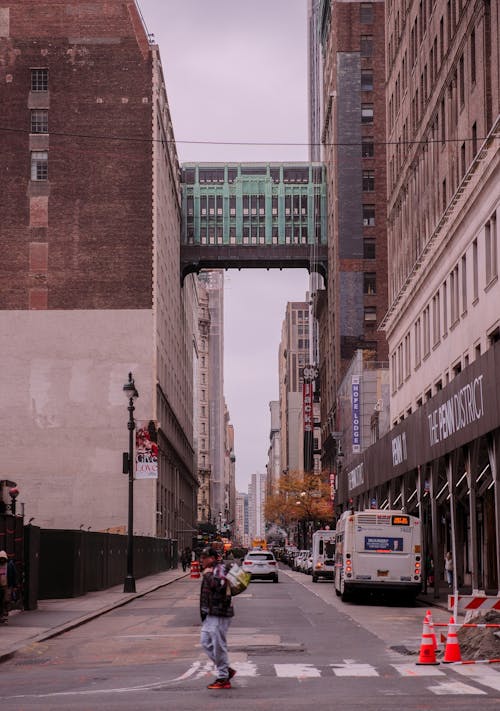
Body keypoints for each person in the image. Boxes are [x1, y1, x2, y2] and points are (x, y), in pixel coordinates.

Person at [199, 546, 236, 690]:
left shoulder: (219, 569)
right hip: (210, 613)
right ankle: (226, 670)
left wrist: (207, 575)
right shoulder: (209, 570)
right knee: (205, 642)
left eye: (204, 557)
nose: (202, 560)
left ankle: (223, 678)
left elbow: (219, 585)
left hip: (220, 613)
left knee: (218, 645)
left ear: (212, 558)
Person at [0, 551, 9, 623]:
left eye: (3, 558)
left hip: (5, 586)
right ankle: (1, 616)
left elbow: (13, 575)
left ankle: (4, 615)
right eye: (1, 558)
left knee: (5, 601)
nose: (2, 560)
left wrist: (14, 586)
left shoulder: (9, 565)